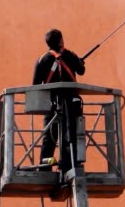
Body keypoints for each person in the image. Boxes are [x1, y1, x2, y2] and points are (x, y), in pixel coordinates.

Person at [32, 29, 85, 173]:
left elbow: (35, 85)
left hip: (52, 105)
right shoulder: (70, 55)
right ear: (61, 40)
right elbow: (81, 71)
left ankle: (44, 168)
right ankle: (69, 164)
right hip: (72, 103)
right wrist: (79, 62)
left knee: (49, 136)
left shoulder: (42, 59)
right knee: (71, 133)